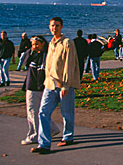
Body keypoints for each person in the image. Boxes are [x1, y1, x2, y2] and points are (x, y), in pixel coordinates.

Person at [31, 17, 81, 154]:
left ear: (61, 27)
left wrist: (66, 85)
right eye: (52, 26)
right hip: (50, 84)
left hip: (64, 84)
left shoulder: (67, 43)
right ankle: (44, 144)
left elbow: (69, 65)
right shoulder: (50, 44)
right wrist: (46, 80)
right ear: (49, 27)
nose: (55, 28)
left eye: (57, 26)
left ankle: (68, 137)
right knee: (43, 112)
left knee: (67, 113)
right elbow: (49, 65)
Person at [20, 36, 60, 145]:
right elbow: (25, 62)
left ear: (43, 44)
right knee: (33, 110)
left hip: (44, 86)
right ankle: (51, 129)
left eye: (37, 44)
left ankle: (35, 135)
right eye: (33, 44)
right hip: (32, 85)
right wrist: (30, 51)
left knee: (39, 111)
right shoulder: (31, 54)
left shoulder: (47, 55)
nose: (35, 46)